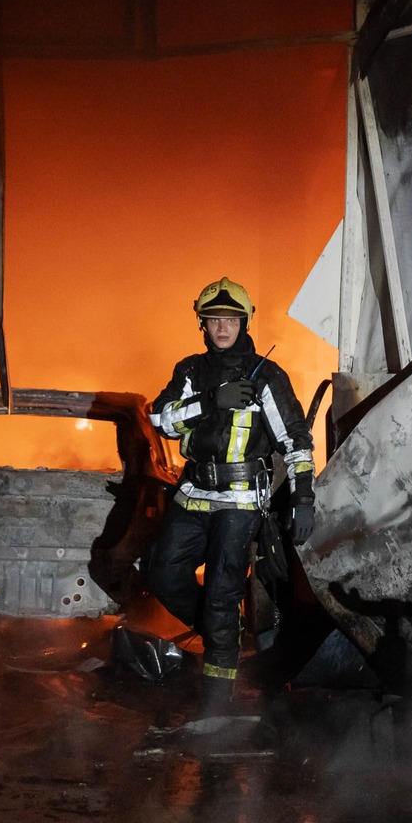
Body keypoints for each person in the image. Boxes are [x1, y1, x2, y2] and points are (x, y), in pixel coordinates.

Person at [144, 277, 316, 717]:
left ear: (245, 322)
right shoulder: (190, 371)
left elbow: (295, 441)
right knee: (162, 573)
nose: (223, 328)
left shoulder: (267, 377)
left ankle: (216, 708)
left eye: (231, 320)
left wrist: (303, 499)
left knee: (222, 595)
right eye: (214, 319)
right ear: (202, 323)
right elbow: (160, 420)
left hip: (240, 503)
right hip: (192, 494)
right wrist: (210, 402)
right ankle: (224, 633)